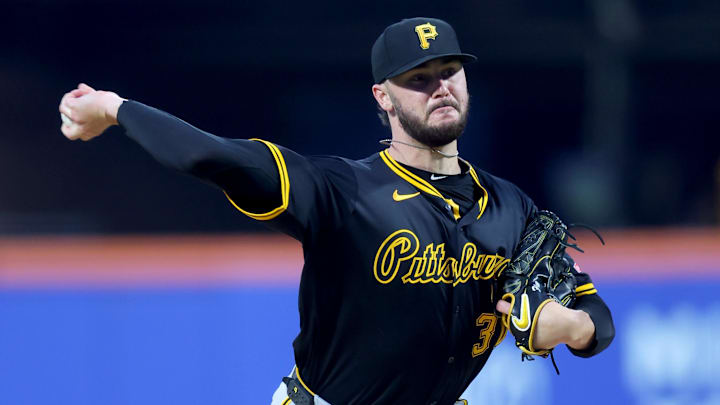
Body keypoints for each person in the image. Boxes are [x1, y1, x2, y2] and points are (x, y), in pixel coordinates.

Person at [59, 17, 614, 405]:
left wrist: (567, 326)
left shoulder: (511, 207)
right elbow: (213, 155)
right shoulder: (340, 189)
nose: (438, 87)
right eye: (417, 79)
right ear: (384, 98)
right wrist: (114, 108)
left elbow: (600, 322)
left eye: (448, 71)